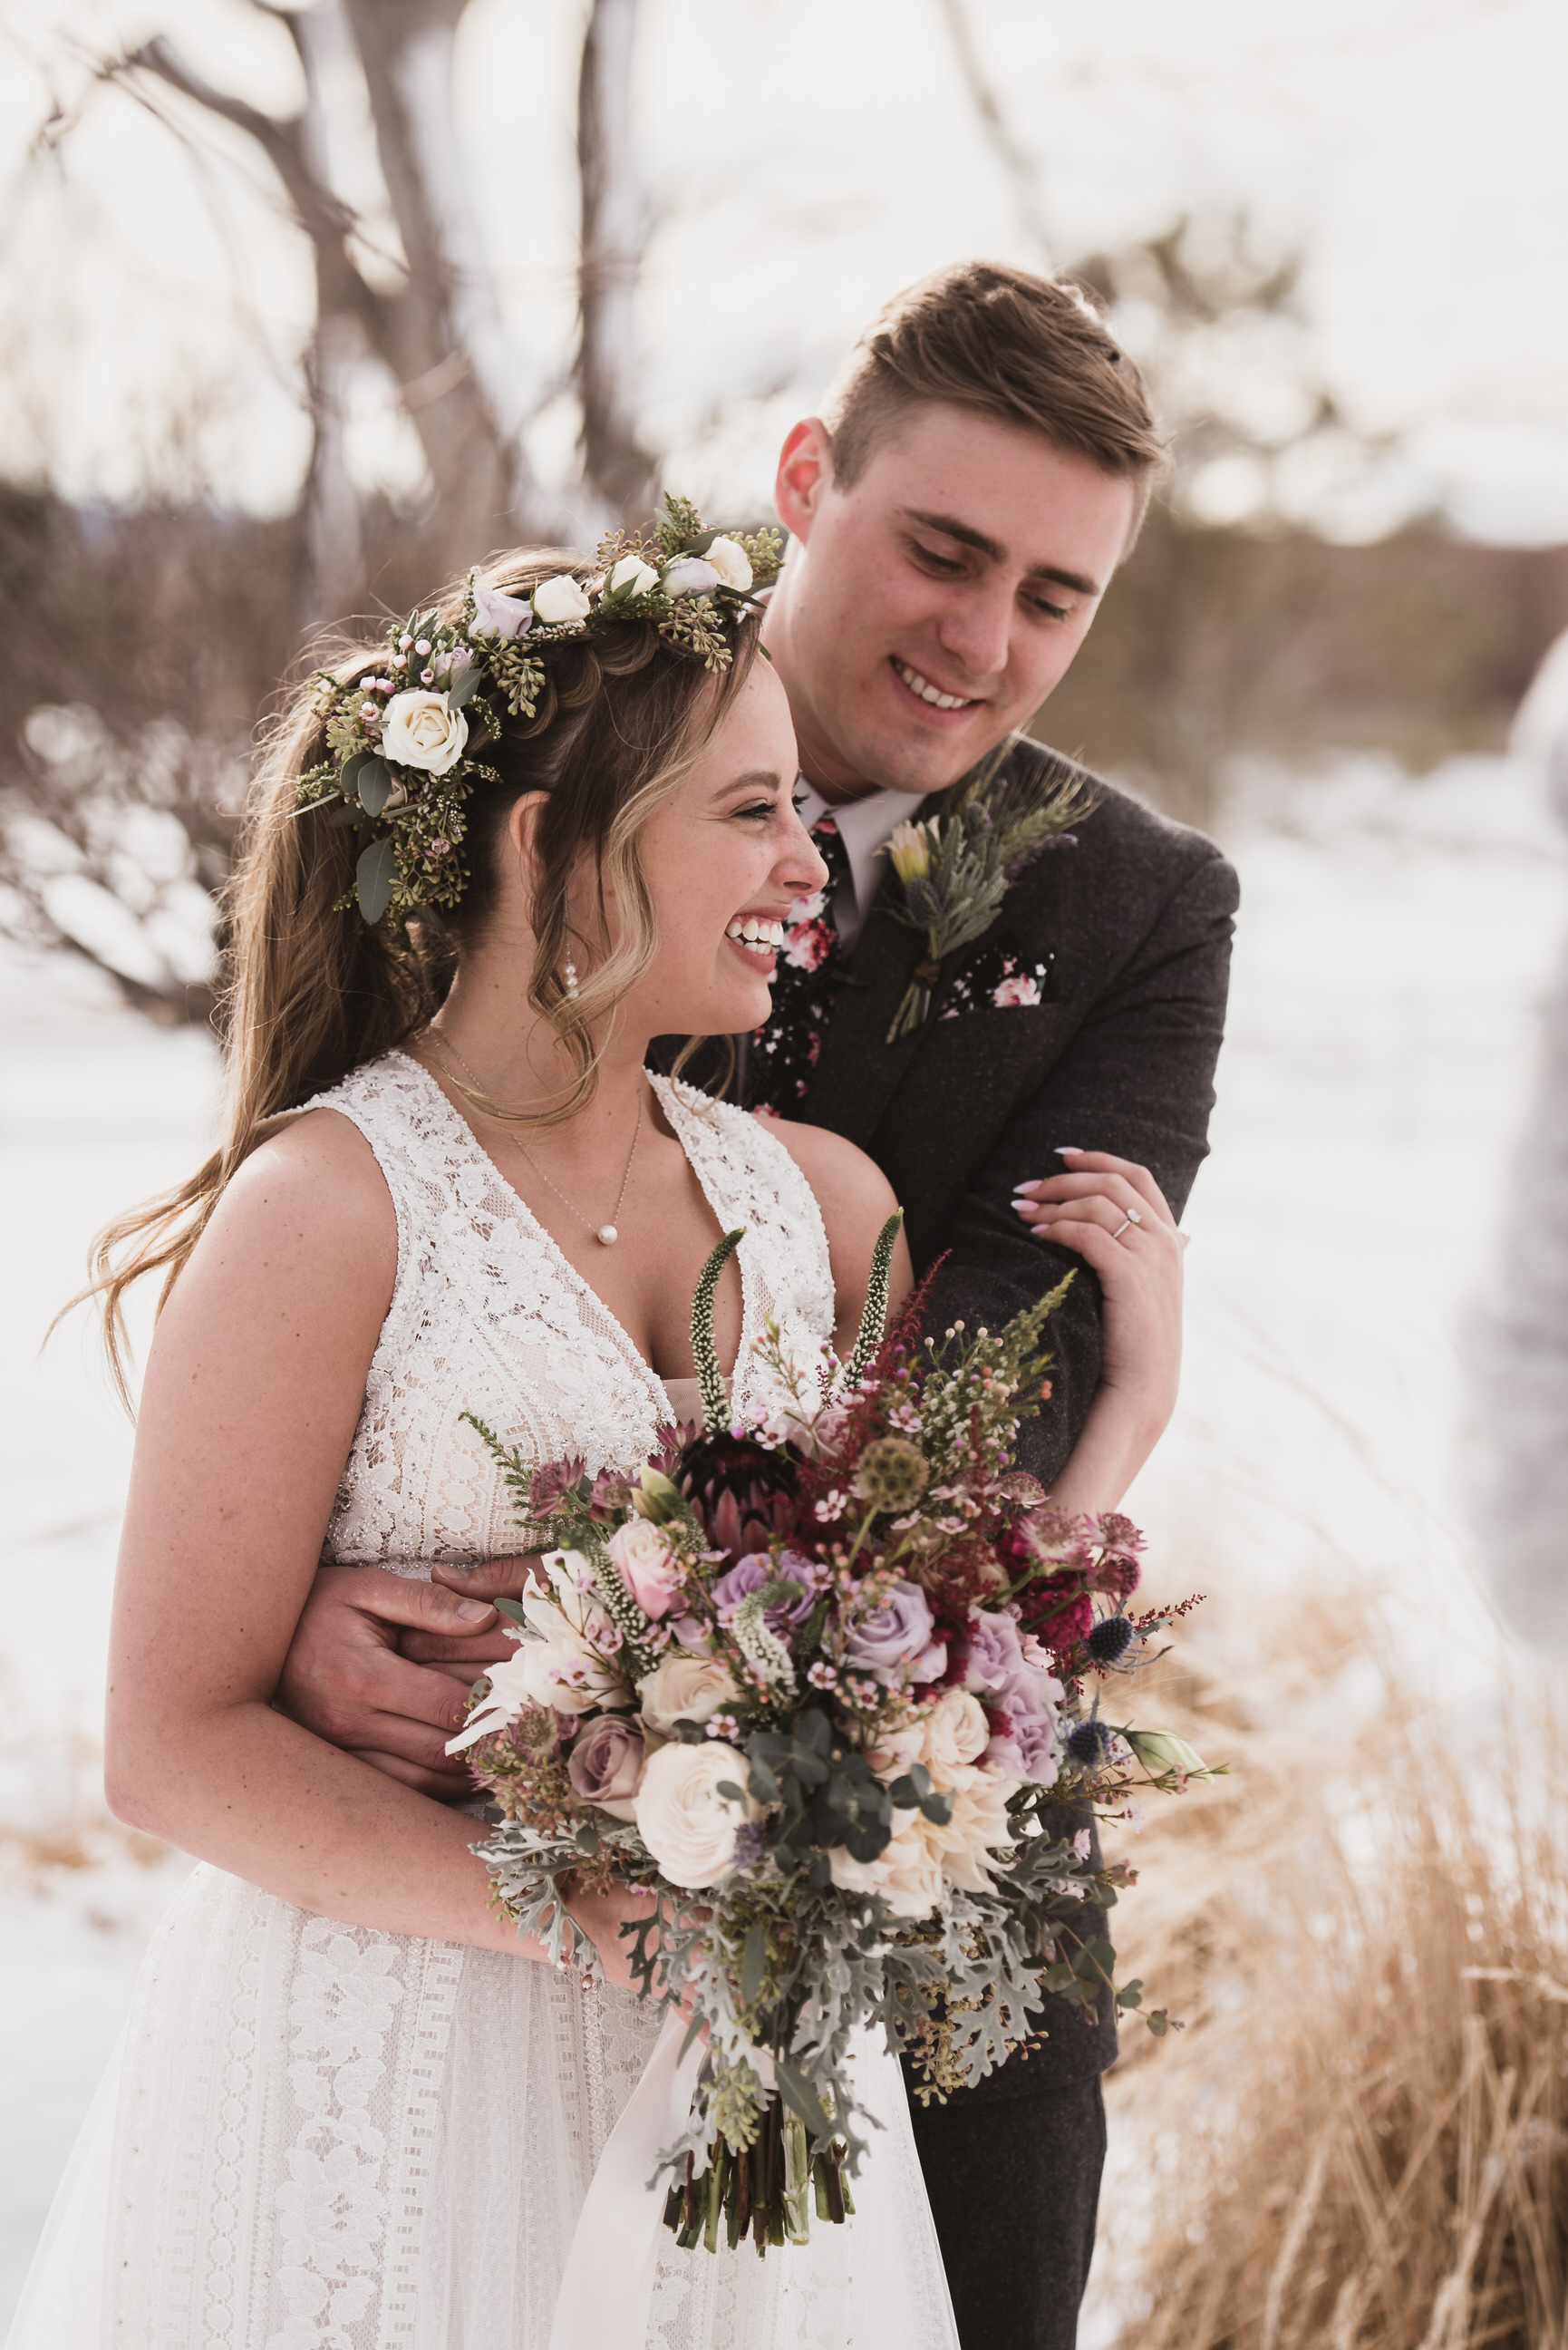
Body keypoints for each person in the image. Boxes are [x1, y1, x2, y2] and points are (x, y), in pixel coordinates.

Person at [8, 519, 1184, 2349]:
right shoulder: (330, 1206)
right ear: (547, 844)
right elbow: (170, 1748)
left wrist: (1123, 1417)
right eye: (750, 814)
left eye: (801, 810)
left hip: (754, 2094)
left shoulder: (826, 1208)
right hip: (391, 2058)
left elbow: (932, 1642)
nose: (808, 868)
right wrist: (598, 1921)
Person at [273, 265, 1237, 2350]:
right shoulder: (553, 732)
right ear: (808, 479)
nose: (982, 642)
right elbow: (350, 1193)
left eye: (1055, 597)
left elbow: (996, 1366)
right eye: (943, 550)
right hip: (460, 1817)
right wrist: (299, 1589)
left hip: (915, 1796)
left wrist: (598, 1624)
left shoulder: (1143, 908)